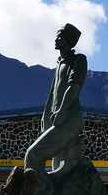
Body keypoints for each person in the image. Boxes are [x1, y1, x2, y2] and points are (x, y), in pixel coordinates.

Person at [23, 23, 88, 178]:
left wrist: (62, 110)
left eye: (59, 36)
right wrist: (46, 119)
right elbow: (53, 94)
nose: (56, 39)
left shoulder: (78, 60)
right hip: (56, 120)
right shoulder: (60, 63)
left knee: (32, 156)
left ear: (67, 40)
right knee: (56, 165)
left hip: (68, 120)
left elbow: (74, 87)